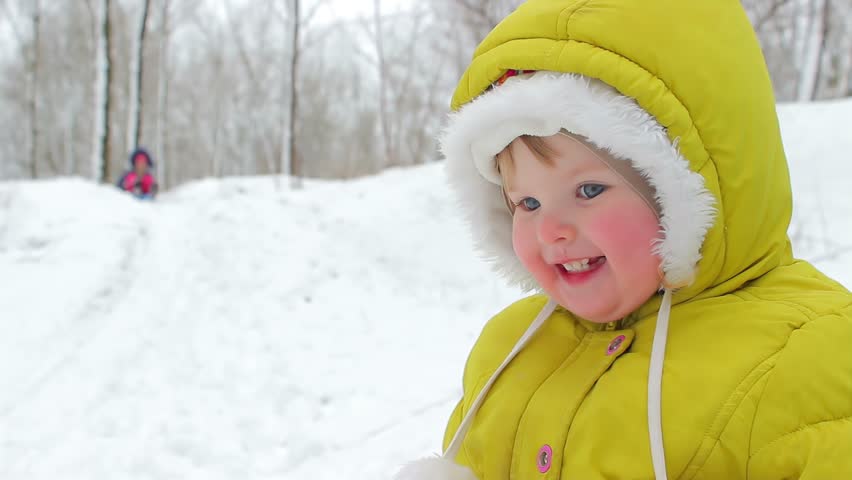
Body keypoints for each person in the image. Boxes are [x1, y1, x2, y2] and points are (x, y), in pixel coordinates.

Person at [394, 0, 852, 478]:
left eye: (588, 190)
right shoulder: (508, 349)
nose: (551, 230)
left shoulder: (809, 353)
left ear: (684, 189)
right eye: (526, 204)